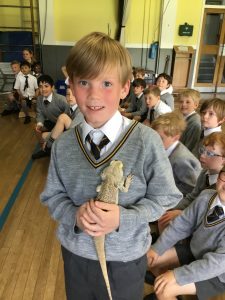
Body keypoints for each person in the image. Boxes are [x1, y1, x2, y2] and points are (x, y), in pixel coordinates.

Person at [40, 31, 182, 300]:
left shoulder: (147, 141)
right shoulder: (63, 145)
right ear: (70, 85)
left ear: (125, 88)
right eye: (83, 82)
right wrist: (75, 215)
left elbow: (166, 196)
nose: (94, 95)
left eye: (106, 83)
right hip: (76, 254)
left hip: (126, 259)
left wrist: (122, 218)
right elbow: (53, 197)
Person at [145, 165, 225, 300]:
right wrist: (157, 249)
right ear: (219, 175)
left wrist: (176, 275)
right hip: (194, 251)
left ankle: (169, 291)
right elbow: (182, 224)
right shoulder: (206, 196)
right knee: (149, 259)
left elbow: (215, 265)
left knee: (165, 290)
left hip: (218, 273)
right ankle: (175, 291)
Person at [158, 131, 225, 232]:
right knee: (165, 215)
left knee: (168, 221)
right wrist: (170, 208)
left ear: (223, 159)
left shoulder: (221, 185)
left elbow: (211, 215)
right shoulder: (205, 172)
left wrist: (182, 213)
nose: (202, 156)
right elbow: (192, 197)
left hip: (205, 226)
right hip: (193, 212)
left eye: (210, 153)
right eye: (202, 150)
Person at [151, 112, 202, 196]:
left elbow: (190, 188)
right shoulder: (165, 147)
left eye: (160, 138)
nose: (155, 141)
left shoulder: (181, 159)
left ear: (176, 138)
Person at [31, 75, 70, 159]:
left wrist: (57, 128)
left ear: (52, 87)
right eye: (40, 87)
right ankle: (44, 149)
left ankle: (49, 146)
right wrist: (40, 123)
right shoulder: (39, 99)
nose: (43, 89)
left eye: (46, 86)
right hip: (52, 121)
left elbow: (68, 113)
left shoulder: (61, 99)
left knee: (46, 136)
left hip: (62, 125)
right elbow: (40, 113)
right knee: (36, 128)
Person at [39, 87, 83, 159]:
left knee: (63, 117)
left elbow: (72, 133)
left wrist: (49, 142)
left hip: (77, 139)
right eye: (68, 94)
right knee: (44, 136)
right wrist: (47, 140)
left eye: (74, 95)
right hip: (69, 132)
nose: (70, 97)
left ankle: (47, 148)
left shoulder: (81, 111)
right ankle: (48, 149)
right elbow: (58, 126)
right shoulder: (69, 107)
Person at [178, 89, 201, 155]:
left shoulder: (194, 123)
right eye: (181, 102)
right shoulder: (183, 117)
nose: (183, 104)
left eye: (188, 102)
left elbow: (189, 147)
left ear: (196, 105)